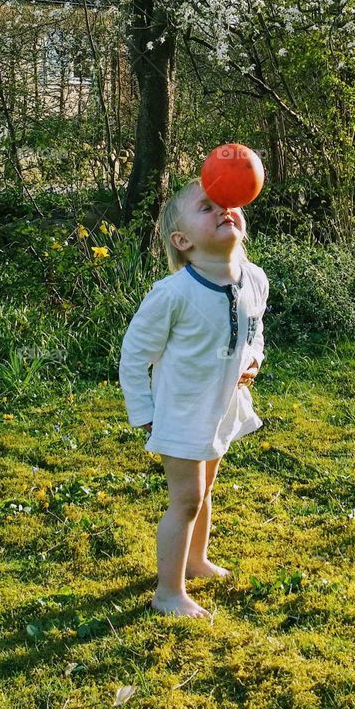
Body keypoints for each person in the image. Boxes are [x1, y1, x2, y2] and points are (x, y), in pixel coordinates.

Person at [118, 177, 268, 621]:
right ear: (181, 241)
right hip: (181, 412)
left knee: (205, 492)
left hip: (220, 407)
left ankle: (196, 560)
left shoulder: (254, 279)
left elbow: (255, 331)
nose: (223, 209)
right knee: (185, 499)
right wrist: (144, 412)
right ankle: (168, 592)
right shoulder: (173, 294)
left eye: (227, 202)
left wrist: (254, 359)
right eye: (207, 207)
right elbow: (134, 356)